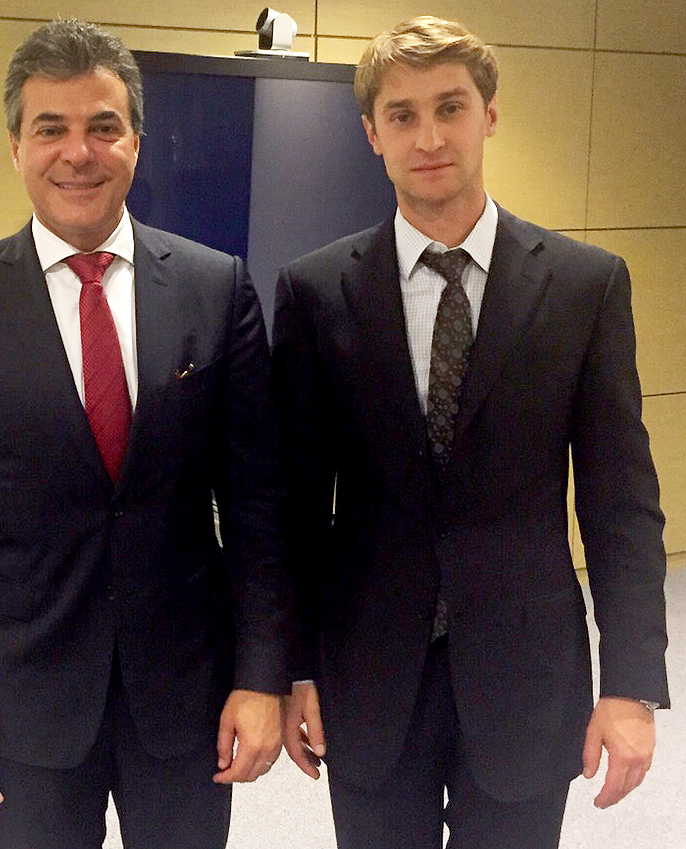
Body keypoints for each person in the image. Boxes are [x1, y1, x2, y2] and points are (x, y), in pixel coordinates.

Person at [0, 19, 291, 849]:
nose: (79, 152)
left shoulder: (216, 287)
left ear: (136, 141)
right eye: (52, 128)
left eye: (103, 126)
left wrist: (262, 675)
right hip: (26, 698)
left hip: (186, 692)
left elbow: (258, 505)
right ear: (16, 146)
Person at [272, 16, 669, 849]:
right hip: (370, 673)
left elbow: (620, 502)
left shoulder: (585, 286)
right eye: (403, 114)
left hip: (527, 673)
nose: (429, 137)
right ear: (372, 132)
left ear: (489, 114)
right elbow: (296, 508)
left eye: (450, 107)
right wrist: (295, 666)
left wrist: (631, 682)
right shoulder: (315, 291)